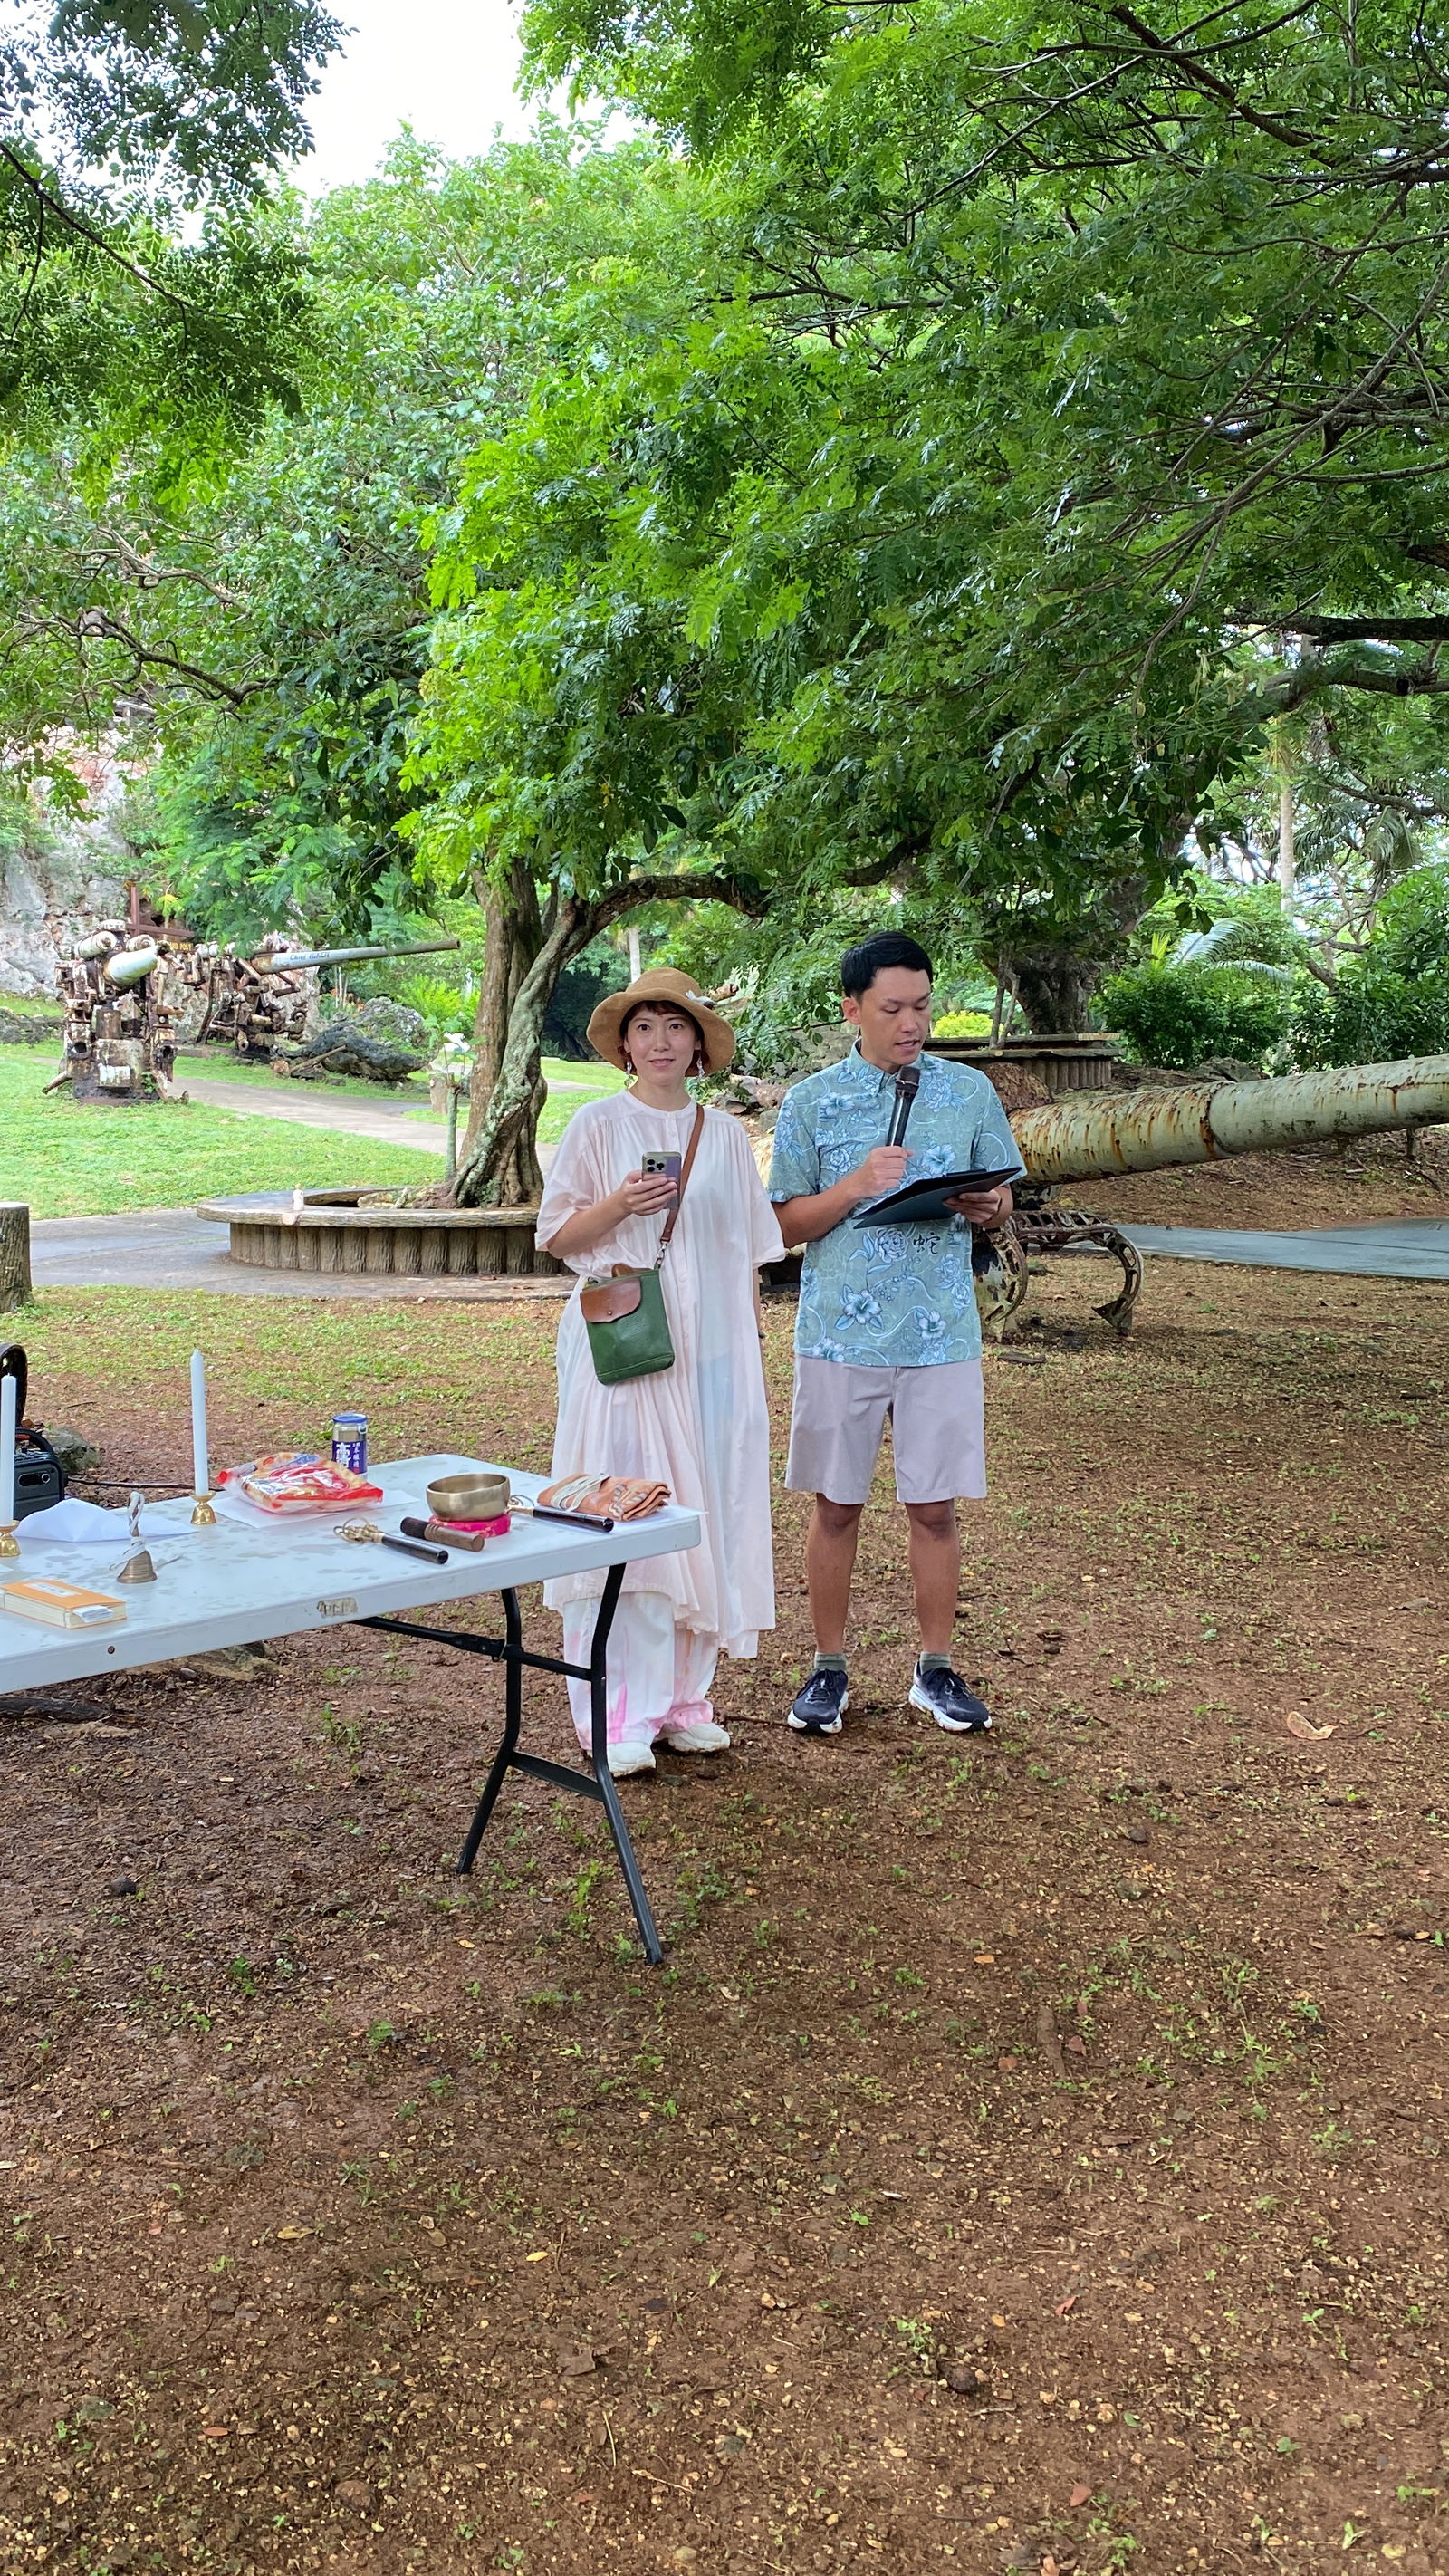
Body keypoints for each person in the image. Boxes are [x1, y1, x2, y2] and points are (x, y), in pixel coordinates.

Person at [767, 931, 1025, 1737]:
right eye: (893, 1008)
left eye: (921, 1005)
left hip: (940, 1333)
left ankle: (935, 1668)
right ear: (853, 1009)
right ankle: (827, 1669)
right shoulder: (810, 1102)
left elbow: (1003, 1195)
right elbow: (782, 1226)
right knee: (836, 1505)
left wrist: (990, 1207)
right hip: (840, 1335)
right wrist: (852, 1186)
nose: (912, 1022)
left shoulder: (970, 1092)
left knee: (935, 1509)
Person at [535, 967, 785, 1778]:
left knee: (704, 1509)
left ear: (698, 1045)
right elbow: (557, 1237)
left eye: (676, 1027)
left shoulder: (723, 1138)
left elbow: (748, 1251)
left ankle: (684, 1701)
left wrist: (744, 1360)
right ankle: (614, 1711)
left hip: (712, 1355)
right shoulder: (597, 1124)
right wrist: (620, 1205)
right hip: (626, 1347)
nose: (661, 1042)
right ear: (623, 1046)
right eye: (644, 1028)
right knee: (626, 1513)